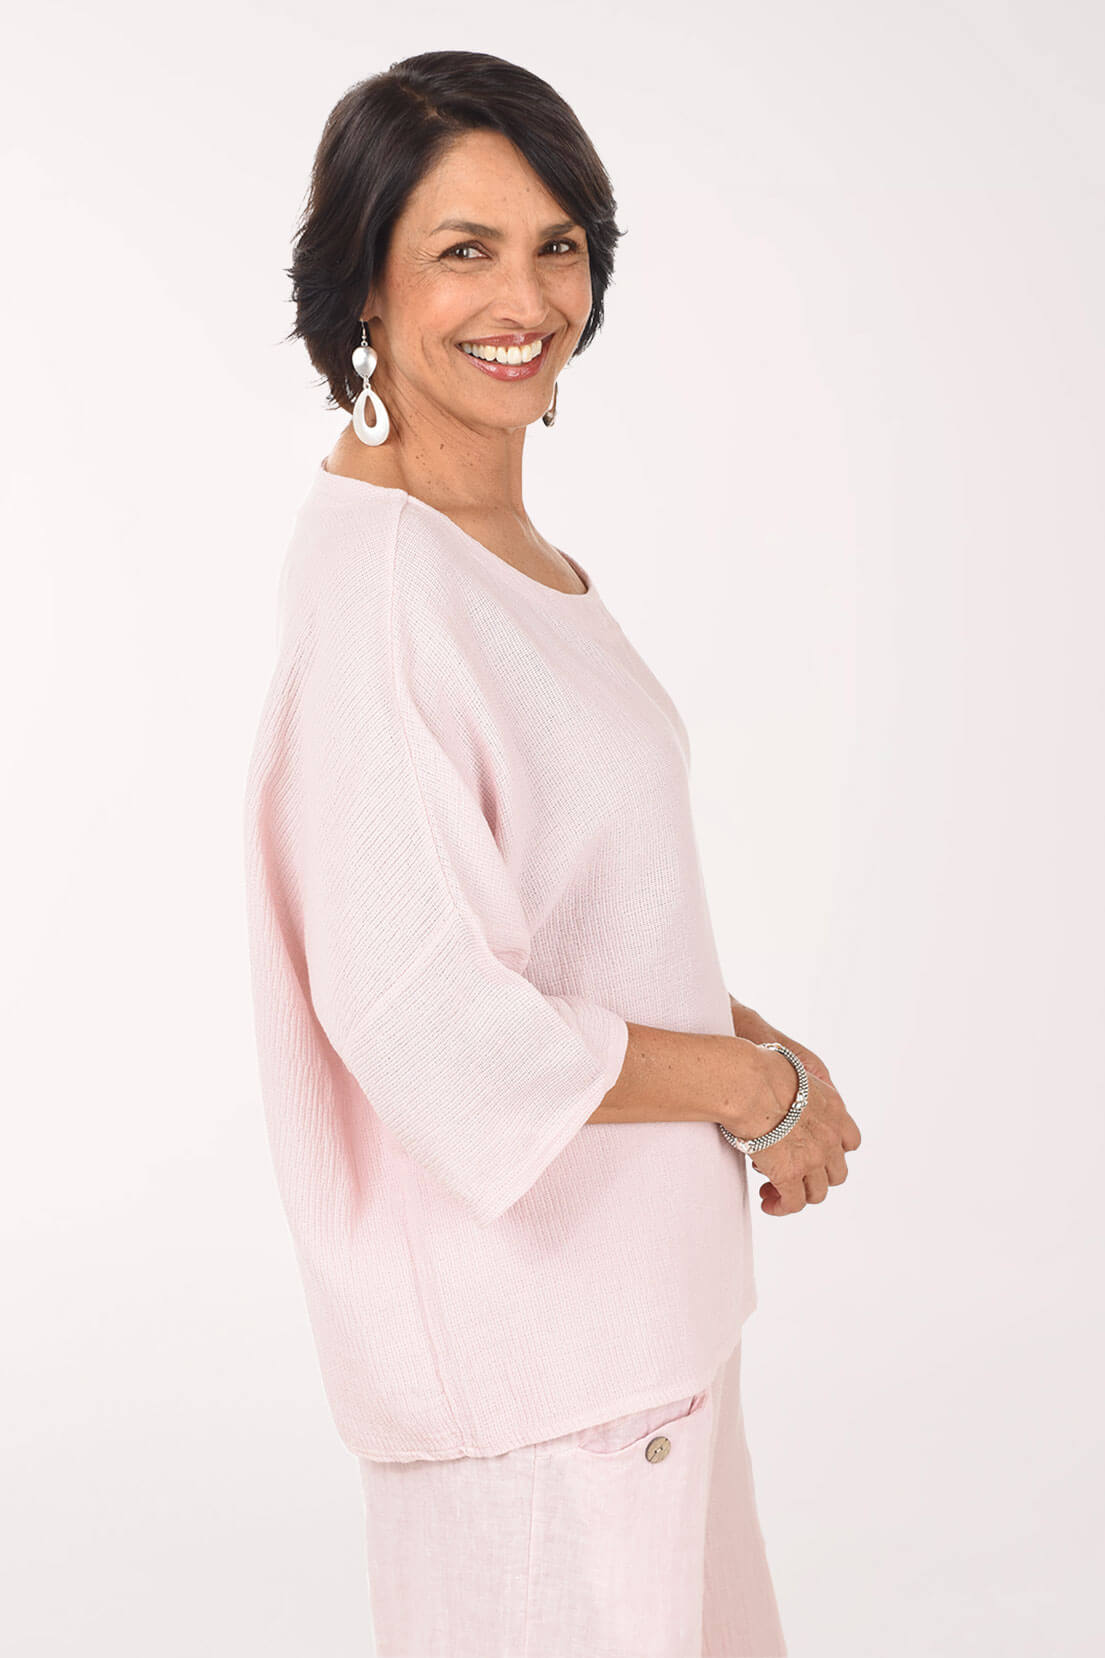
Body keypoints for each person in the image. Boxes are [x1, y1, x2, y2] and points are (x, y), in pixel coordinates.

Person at [242, 48, 861, 1658]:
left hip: (639, 1342)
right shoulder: (385, 595)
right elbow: (436, 1017)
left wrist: (747, 1037)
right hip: (537, 1388)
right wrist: (749, 1092)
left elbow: (561, 915)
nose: (525, 296)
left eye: (557, 243)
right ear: (360, 288)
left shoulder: (495, 549)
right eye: (462, 248)